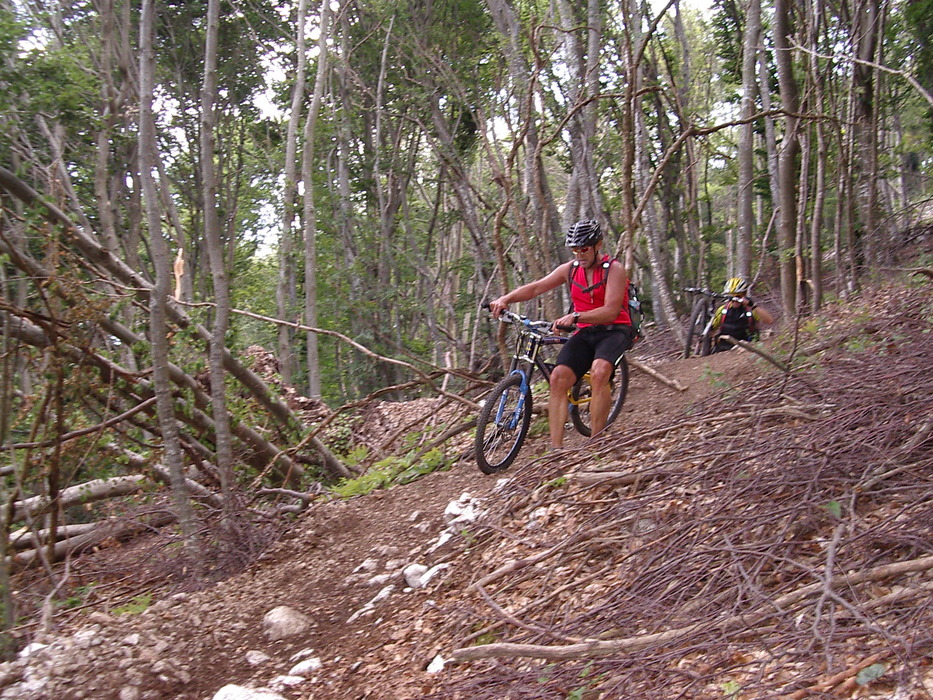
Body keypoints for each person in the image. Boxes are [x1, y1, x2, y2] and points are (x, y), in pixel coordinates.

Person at [488, 219, 635, 450]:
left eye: (584, 248)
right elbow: (537, 287)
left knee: (599, 373)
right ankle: (556, 450)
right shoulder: (570, 269)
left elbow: (611, 311)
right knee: (557, 379)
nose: (579, 254)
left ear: (598, 245)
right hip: (586, 330)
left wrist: (575, 318)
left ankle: (597, 444)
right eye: (575, 249)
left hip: (615, 329)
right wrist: (506, 298)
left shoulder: (614, 269)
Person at [710, 276, 774, 351]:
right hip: (724, 348)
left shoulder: (751, 310)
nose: (735, 300)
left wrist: (752, 306)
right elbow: (712, 330)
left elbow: (770, 321)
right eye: (732, 297)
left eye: (738, 296)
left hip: (746, 346)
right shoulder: (723, 310)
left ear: (744, 295)